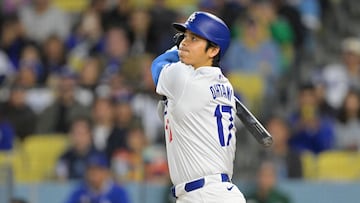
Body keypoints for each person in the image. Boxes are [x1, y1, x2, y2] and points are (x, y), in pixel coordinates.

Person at [151, 11, 246, 202]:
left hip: (203, 194)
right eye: (185, 36)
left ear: (213, 50)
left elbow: (157, 65)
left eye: (194, 38)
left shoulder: (184, 78)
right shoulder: (225, 85)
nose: (184, 42)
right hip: (217, 193)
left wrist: (175, 49)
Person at [65, 152, 129, 203]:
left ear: (106, 172)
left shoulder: (118, 193)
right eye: (90, 169)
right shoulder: (79, 192)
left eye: (98, 170)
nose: (93, 173)